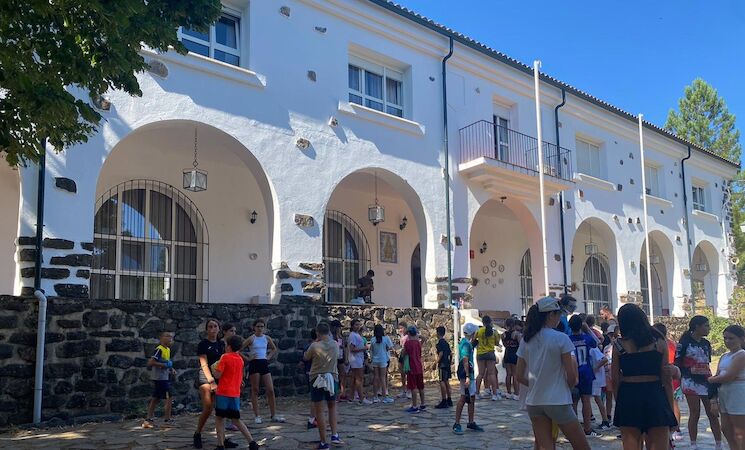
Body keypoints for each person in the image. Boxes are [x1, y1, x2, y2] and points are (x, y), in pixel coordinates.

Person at [516, 297, 590, 450]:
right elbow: (571, 375)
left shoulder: (526, 340)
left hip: (535, 401)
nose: (560, 318)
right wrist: (570, 385)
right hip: (558, 400)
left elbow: (519, 375)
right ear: (551, 315)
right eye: (558, 314)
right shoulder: (561, 338)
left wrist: (537, 384)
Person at [613, 303, 677, 450]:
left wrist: (619, 402)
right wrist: (670, 408)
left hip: (629, 395)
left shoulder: (618, 345)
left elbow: (615, 379)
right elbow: (666, 379)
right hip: (655, 394)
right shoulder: (659, 342)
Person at [676, 315, 722, 449]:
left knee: (712, 413)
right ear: (697, 326)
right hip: (690, 380)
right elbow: (677, 363)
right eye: (706, 325)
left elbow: (707, 361)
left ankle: (719, 443)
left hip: (706, 380)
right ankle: (693, 443)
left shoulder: (706, 343)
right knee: (694, 412)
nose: (709, 328)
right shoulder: (684, 343)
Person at [212, 334, 259, 450]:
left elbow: (218, 375)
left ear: (228, 346)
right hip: (235, 394)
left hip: (223, 393)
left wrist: (214, 369)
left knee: (219, 418)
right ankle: (252, 442)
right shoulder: (240, 360)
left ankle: (220, 445)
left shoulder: (225, 357)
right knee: (236, 420)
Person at [304, 322, 344, 450]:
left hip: (317, 378)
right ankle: (334, 435)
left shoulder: (315, 345)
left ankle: (323, 442)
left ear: (317, 333)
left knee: (319, 410)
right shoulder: (335, 344)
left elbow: (306, 357)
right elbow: (338, 357)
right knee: (332, 407)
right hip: (332, 377)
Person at [194, 319, 231, 449]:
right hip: (205, 377)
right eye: (210, 326)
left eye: (215, 326)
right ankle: (197, 433)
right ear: (207, 329)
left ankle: (223, 439)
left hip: (219, 377)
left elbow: (226, 362)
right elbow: (204, 364)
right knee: (208, 408)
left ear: (219, 329)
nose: (213, 329)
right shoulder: (203, 344)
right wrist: (211, 381)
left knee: (221, 409)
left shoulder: (222, 344)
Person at [708, 324, 745, 450]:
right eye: (725, 338)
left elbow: (728, 376)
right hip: (724, 394)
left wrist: (710, 379)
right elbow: (718, 376)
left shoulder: (742, 355)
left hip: (738, 395)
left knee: (740, 431)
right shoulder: (724, 356)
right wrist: (713, 399)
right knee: (726, 429)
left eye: (731, 338)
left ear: (741, 339)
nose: (727, 341)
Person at [242, 319, 285, 424]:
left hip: (264, 363)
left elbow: (274, 349)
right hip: (254, 363)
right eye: (258, 326)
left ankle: (273, 415)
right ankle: (257, 416)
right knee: (255, 389)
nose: (260, 328)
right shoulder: (251, 338)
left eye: (262, 326)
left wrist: (268, 357)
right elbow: (238, 349)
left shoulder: (266, 338)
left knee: (270, 390)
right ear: (254, 327)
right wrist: (247, 358)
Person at [568, 314, 601, 437]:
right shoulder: (587, 338)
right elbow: (597, 342)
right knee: (586, 401)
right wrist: (587, 329)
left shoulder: (568, 339)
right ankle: (587, 428)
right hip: (586, 371)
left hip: (573, 371)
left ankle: (573, 429)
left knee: (573, 402)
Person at [653, 322, 683, 442]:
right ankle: (677, 428)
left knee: (671, 403)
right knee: (675, 403)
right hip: (674, 377)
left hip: (666, 376)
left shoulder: (659, 344)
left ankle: (671, 427)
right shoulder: (671, 343)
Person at [453, 323, 485, 434]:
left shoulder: (465, 343)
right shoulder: (466, 345)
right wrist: (467, 376)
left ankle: (471, 421)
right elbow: (465, 359)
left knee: (471, 397)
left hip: (469, 375)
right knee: (463, 398)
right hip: (467, 375)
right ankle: (457, 423)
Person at [142, 331, 176, 428]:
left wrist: (171, 369)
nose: (169, 338)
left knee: (156, 397)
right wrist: (164, 365)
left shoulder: (167, 349)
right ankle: (167, 419)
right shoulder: (159, 349)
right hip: (159, 378)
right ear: (161, 338)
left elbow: (167, 362)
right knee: (169, 396)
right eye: (167, 336)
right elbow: (151, 362)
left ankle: (148, 418)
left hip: (164, 377)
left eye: (170, 336)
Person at [475, 315, 501, 400]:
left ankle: (477, 393)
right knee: (492, 374)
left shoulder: (479, 331)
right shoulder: (494, 332)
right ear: (490, 322)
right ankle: (494, 394)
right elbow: (497, 343)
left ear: (482, 322)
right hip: (490, 353)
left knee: (480, 374)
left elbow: (474, 340)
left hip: (480, 354)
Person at [299, 329, 319, 429]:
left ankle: (315, 417)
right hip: (315, 373)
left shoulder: (309, 346)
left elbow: (303, 360)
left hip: (310, 372)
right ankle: (312, 419)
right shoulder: (315, 346)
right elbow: (305, 358)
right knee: (316, 397)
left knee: (316, 397)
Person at [402, 325, 425, 412]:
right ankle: (422, 404)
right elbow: (424, 339)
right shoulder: (418, 343)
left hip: (411, 367)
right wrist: (418, 335)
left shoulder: (407, 343)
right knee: (421, 387)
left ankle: (414, 405)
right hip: (419, 366)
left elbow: (404, 353)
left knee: (413, 387)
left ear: (408, 333)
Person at [347, 319, 371, 404]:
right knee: (359, 379)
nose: (358, 326)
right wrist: (364, 348)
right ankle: (361, 398)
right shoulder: (353, 335)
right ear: (352, 326)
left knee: (354, 379)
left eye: (359, 325)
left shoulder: (356, 335)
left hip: (358, 359)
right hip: (356, 359)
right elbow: (352, 349)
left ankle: (351, 397)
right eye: (356, 325)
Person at [589, 341, 611, 431]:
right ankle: (591, 417)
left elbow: (605, 359)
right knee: (595, 399)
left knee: (598, 399)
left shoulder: (594, 349)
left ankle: (605, 421)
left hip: (596, 378)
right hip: (593, 378)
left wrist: (594, 368)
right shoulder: (590, 349)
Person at [370, 324, 394, 403]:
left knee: (376, 377)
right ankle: (384, 397)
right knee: (383, 378)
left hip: (375, 360)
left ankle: (375, 396)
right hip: (383, 359)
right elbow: (390, 347)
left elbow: (371, 350)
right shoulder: (385, 338)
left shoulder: (373, 339)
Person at [502, 318, 522, 400]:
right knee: (515, 374)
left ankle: (508, 392)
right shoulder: (517, 334)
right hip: (515, 355)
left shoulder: (503, 334)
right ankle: (516, 393)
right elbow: (521, 345)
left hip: (507, 354)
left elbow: (504, 345)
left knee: (508, 374)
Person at [435, 325, 453, 408]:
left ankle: (444, 400)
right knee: (446, 381)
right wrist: (450, 362)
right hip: (447, 364)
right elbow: (450, 354)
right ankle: (449, 399)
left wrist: (436, 362)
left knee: (442, 381)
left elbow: (441, 353)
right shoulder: (446, 343)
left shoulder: (439, 343)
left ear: (438, 333)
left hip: (442, 364)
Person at [330, 320, 349, 402]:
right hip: (333, 358)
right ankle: (334, 394)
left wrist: (346, 358)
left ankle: (342, 393)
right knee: (334, 376)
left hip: (340, 357)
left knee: (343, 375)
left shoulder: (341, 337)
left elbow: (345, 348)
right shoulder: (330, 337)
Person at [603, 324, 618, 424]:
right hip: (608, 374)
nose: (613, 337)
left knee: (618, 397)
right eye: (611, 335)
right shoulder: (606, 348)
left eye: (614, 335)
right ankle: (608, 416)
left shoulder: (621, 347)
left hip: (617, 375)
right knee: (608, 396)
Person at [396, 321, 411, 399]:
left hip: (407, 355)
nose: (400, 330)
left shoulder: (408, 336)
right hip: (402, 354)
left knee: (408, 373)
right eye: (399, 328)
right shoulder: (402, 336)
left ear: (405, 328)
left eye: (402, 328)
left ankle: (409, 390)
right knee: (402, 373)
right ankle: (403, 390)